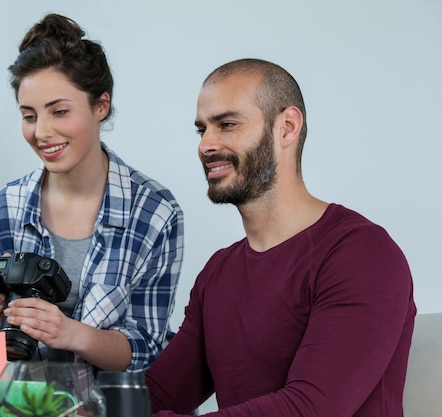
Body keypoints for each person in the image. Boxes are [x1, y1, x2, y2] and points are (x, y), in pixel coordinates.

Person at [145, 58, 416, 416]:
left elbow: (312, 409)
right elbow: (159, 395)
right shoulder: (219, 272)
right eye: (202, 130)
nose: (206, 145)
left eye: (227, 124)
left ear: (286, 127)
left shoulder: (363, 254)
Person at [0, 13, 184, 373]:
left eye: (59, 112)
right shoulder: (5, 206)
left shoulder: (155, 212)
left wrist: (69, 332)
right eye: (29, 116)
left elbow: (146, 348)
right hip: (32, 407)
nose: (42, 132)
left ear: (100, 106)